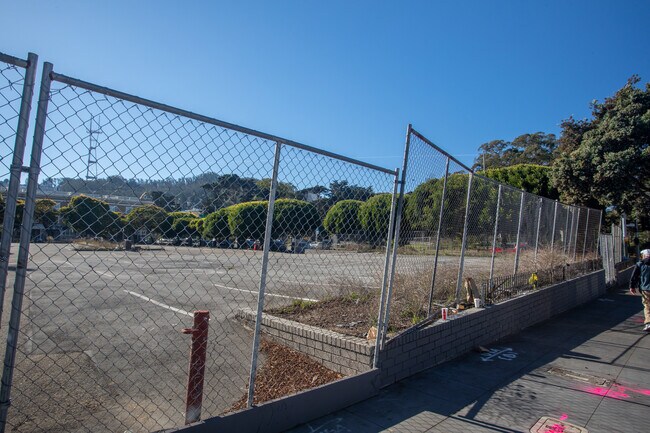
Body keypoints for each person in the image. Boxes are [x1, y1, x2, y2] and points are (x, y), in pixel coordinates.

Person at [630, 249, 650, 331]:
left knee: (647, 306)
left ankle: (648, 323)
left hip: (646, 289)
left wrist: (632, 286)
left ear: (644, 256)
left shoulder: (640, 264)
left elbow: (634, 276)